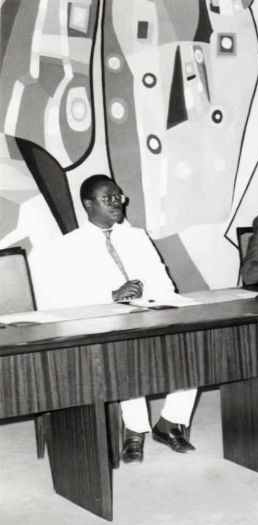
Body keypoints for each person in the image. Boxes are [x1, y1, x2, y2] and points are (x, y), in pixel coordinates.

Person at [31, 175, 198, 463]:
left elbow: (163, 282)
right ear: (88, 204)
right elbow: (57, 301)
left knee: (191, 349)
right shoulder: (67, 246)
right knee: (126, 354)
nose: (117, 202)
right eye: (107, 198)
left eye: (118, 196)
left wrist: (148, 295)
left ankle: (170, 422)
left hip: (148, 313)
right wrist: (111, 295)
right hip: (102, 323)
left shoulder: (136, 237)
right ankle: (134, 431)